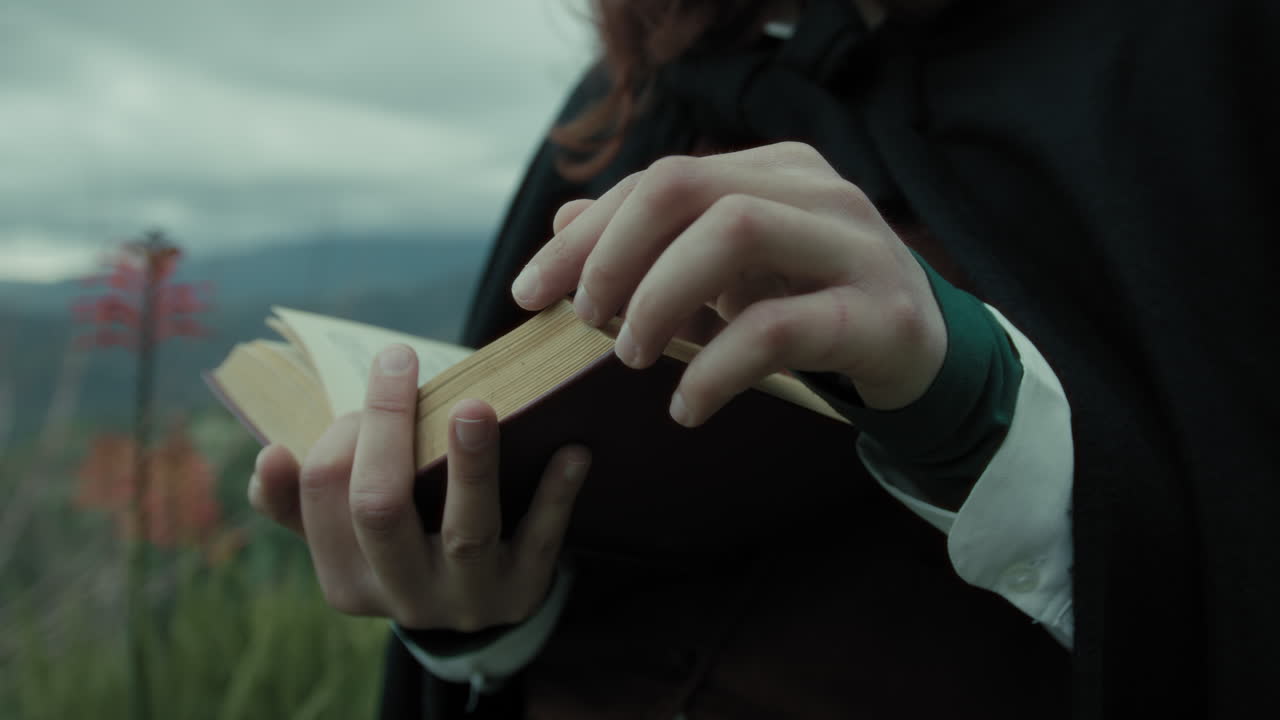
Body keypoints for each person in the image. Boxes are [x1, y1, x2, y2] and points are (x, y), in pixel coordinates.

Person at [249, 0, 1280, 717]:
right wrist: (477, 612)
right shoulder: (634, 98)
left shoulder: (1191, 54)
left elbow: (1229, 539)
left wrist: (968, 404)